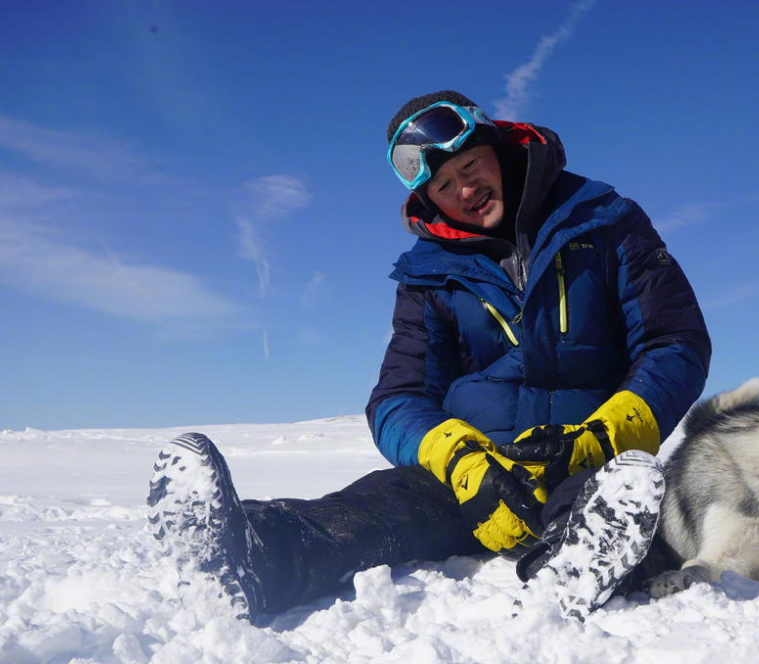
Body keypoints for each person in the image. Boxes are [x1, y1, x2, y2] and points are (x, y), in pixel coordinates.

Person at [147, 90, 711, 623]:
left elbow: (675, 342)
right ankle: (252, 556)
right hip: (478, 474)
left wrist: (608, 433)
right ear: (427, 198)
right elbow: (398, 398)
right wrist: (460, 460)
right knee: (373, 508)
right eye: (445, 185)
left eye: (471, 169)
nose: (465, 191)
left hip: (584, 453)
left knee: (606, 501)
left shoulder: (605, 223)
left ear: (500, 150)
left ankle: (575, 567)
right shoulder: (426, 275)